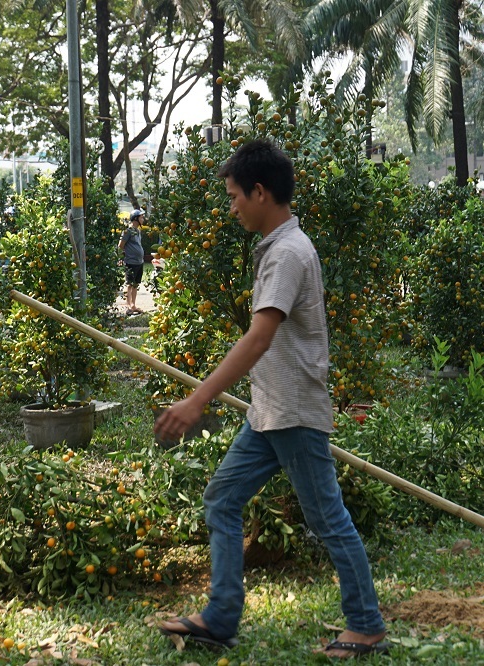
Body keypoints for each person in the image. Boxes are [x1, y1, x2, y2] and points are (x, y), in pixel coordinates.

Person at [155, 139, 389, 659]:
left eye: (235, 195)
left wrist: (198, 401)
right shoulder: (281, 247)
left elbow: (259, 337)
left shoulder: (287, 253)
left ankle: (367, 624)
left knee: (327, 518)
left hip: (293, 412)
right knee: (223, 497)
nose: (232, 205)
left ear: (260, 192)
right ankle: (219, 617)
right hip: (269, 411)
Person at [119, 209, 145, 315]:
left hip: (140, 262)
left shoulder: (138, 231)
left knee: (135, 284)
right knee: (129, 284)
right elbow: (121, 245)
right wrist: (120, 258)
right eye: (141, 217)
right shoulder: (128, 231)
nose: (143, 219)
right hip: (130, 262)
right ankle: (128, 306)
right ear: (135, 218)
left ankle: (133, 305)